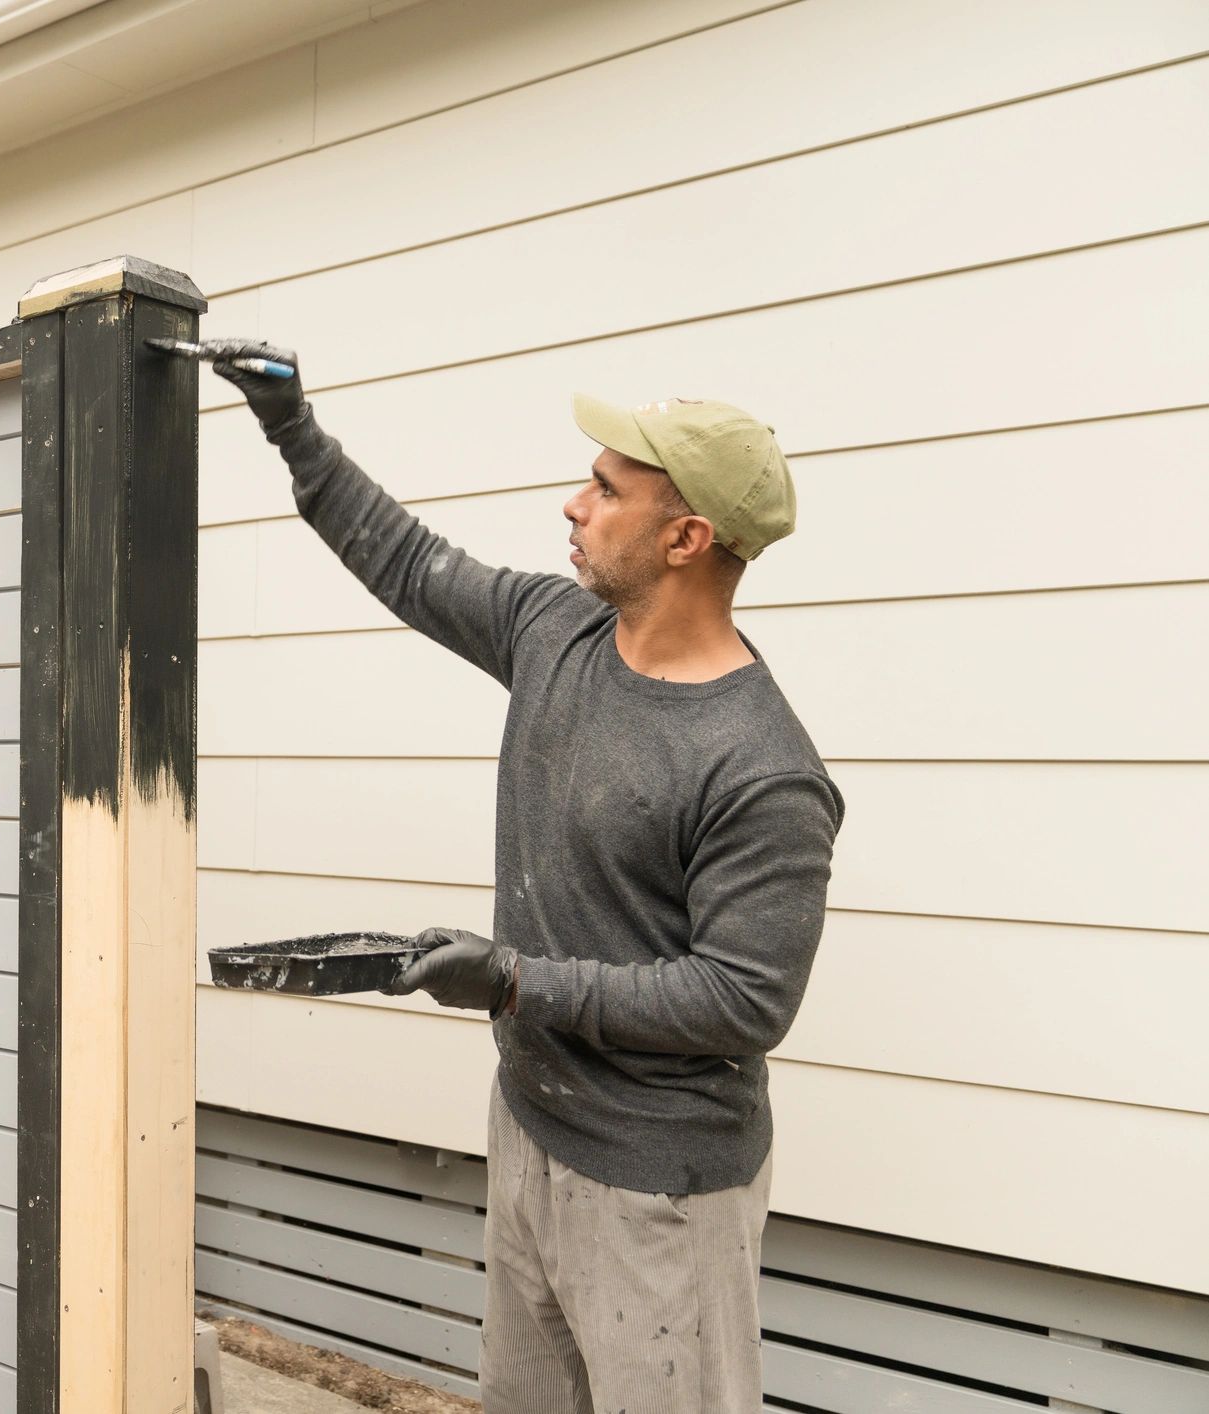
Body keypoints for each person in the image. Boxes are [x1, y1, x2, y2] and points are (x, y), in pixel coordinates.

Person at [200, 340, 844, 1414]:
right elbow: (407, 560)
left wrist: (513, 983)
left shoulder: (761, 767)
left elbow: (744, 998)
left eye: (605, 490)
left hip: (660, 1190)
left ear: (686, 536)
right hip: (532, 1127)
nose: (571, 506)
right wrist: (292, 430)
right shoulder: (560, 632)